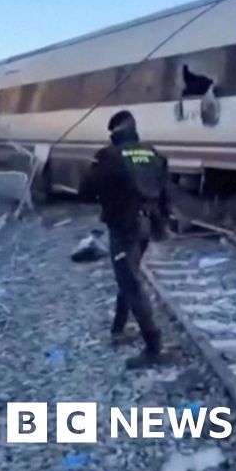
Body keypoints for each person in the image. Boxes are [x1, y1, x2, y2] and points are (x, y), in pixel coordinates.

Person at [79, 110, 171, 369]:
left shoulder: (109, 157)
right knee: (128, 274)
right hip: (147, 225)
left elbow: (84, 193)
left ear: (114, 134)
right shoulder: (153, 153)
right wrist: (163, 224)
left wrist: (104, 193)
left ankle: (153, 348)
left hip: (124, 226)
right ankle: (118, 328)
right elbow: (165, 192)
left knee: (130, 282)